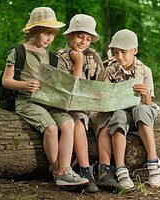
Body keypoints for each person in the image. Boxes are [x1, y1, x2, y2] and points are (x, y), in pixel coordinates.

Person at [1, 7, 89, 187]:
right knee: (50, 128)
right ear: (34, 31)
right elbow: (6, 81)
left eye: (53, 34)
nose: (50, 38)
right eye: (46, 33)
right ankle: (57, 171)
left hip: (47, 101)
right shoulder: (19, 52)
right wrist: (24, 85)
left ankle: (66, 170)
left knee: (68, 123)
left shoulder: (52, 57)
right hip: (26, 100)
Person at [93, 29, 160, 190]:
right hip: (120, 112)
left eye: (123, 52)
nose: (119, 57)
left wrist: (145, 93)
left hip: (141, 110)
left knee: (140, 110)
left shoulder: (144, 71)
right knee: (118, 116)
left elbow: (148, 103)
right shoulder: (109, 70)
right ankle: (120, 168)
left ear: (134, 51)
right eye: (116, 52)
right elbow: (104, 100)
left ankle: (153, 162)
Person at [57, 14, 105, 193]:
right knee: (78, 121)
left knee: (107, 122)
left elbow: (102, 83)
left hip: (92, 105)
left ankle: (107, 169)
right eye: (79, 36)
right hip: (72, 106)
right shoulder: (60, 58)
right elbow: (71, 90)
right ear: (69, 35)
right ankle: (86, 169)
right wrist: (78, 63)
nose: (84, 42)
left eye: (88, 39)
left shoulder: (93, 56)